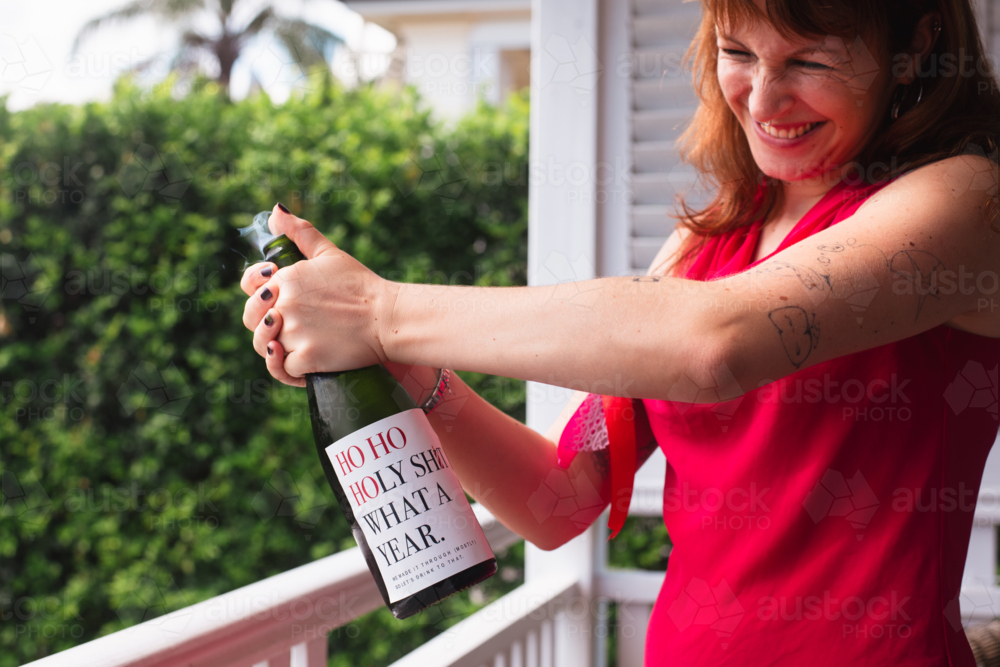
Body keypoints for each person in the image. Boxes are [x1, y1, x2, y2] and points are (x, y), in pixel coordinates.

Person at [241, 0, 1000, 663]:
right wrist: (403, 366)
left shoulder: (966, 200)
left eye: (809, 60)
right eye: (737, 52)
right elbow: (558, 499)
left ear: (917, 47)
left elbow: (711, 347)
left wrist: (378, 311)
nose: (764, 96)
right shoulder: (706, 247)